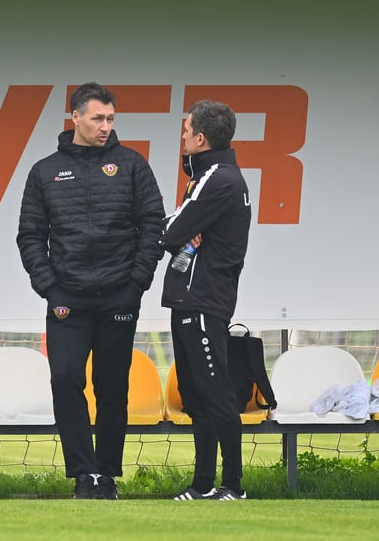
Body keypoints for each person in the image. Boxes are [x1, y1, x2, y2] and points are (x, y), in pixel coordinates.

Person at [17, 82, 165, 499]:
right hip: (67, 298)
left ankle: (107, 474)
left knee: (112, 385)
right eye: (98, 118)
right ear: (75, 118)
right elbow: (30, 235)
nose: (105, 126)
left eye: (111, 119)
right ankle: (84, 474)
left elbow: (152, 224)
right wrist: (50, 288)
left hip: (120, 294)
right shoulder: (44, 170)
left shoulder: (132, 165)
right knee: (65, 379)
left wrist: (137, 282)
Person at [160, 99, 252, 501]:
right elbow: (178, 233)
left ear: (200, 137)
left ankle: (232, 485)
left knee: (215, 395)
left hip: (204, 302)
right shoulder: (205, 176)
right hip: (188, 301)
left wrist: (179, 231)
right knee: (197, 398)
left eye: (184, 131)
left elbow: (169, 231)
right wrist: (180, 232)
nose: (180, 137)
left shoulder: (220, 179)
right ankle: (202, 485)